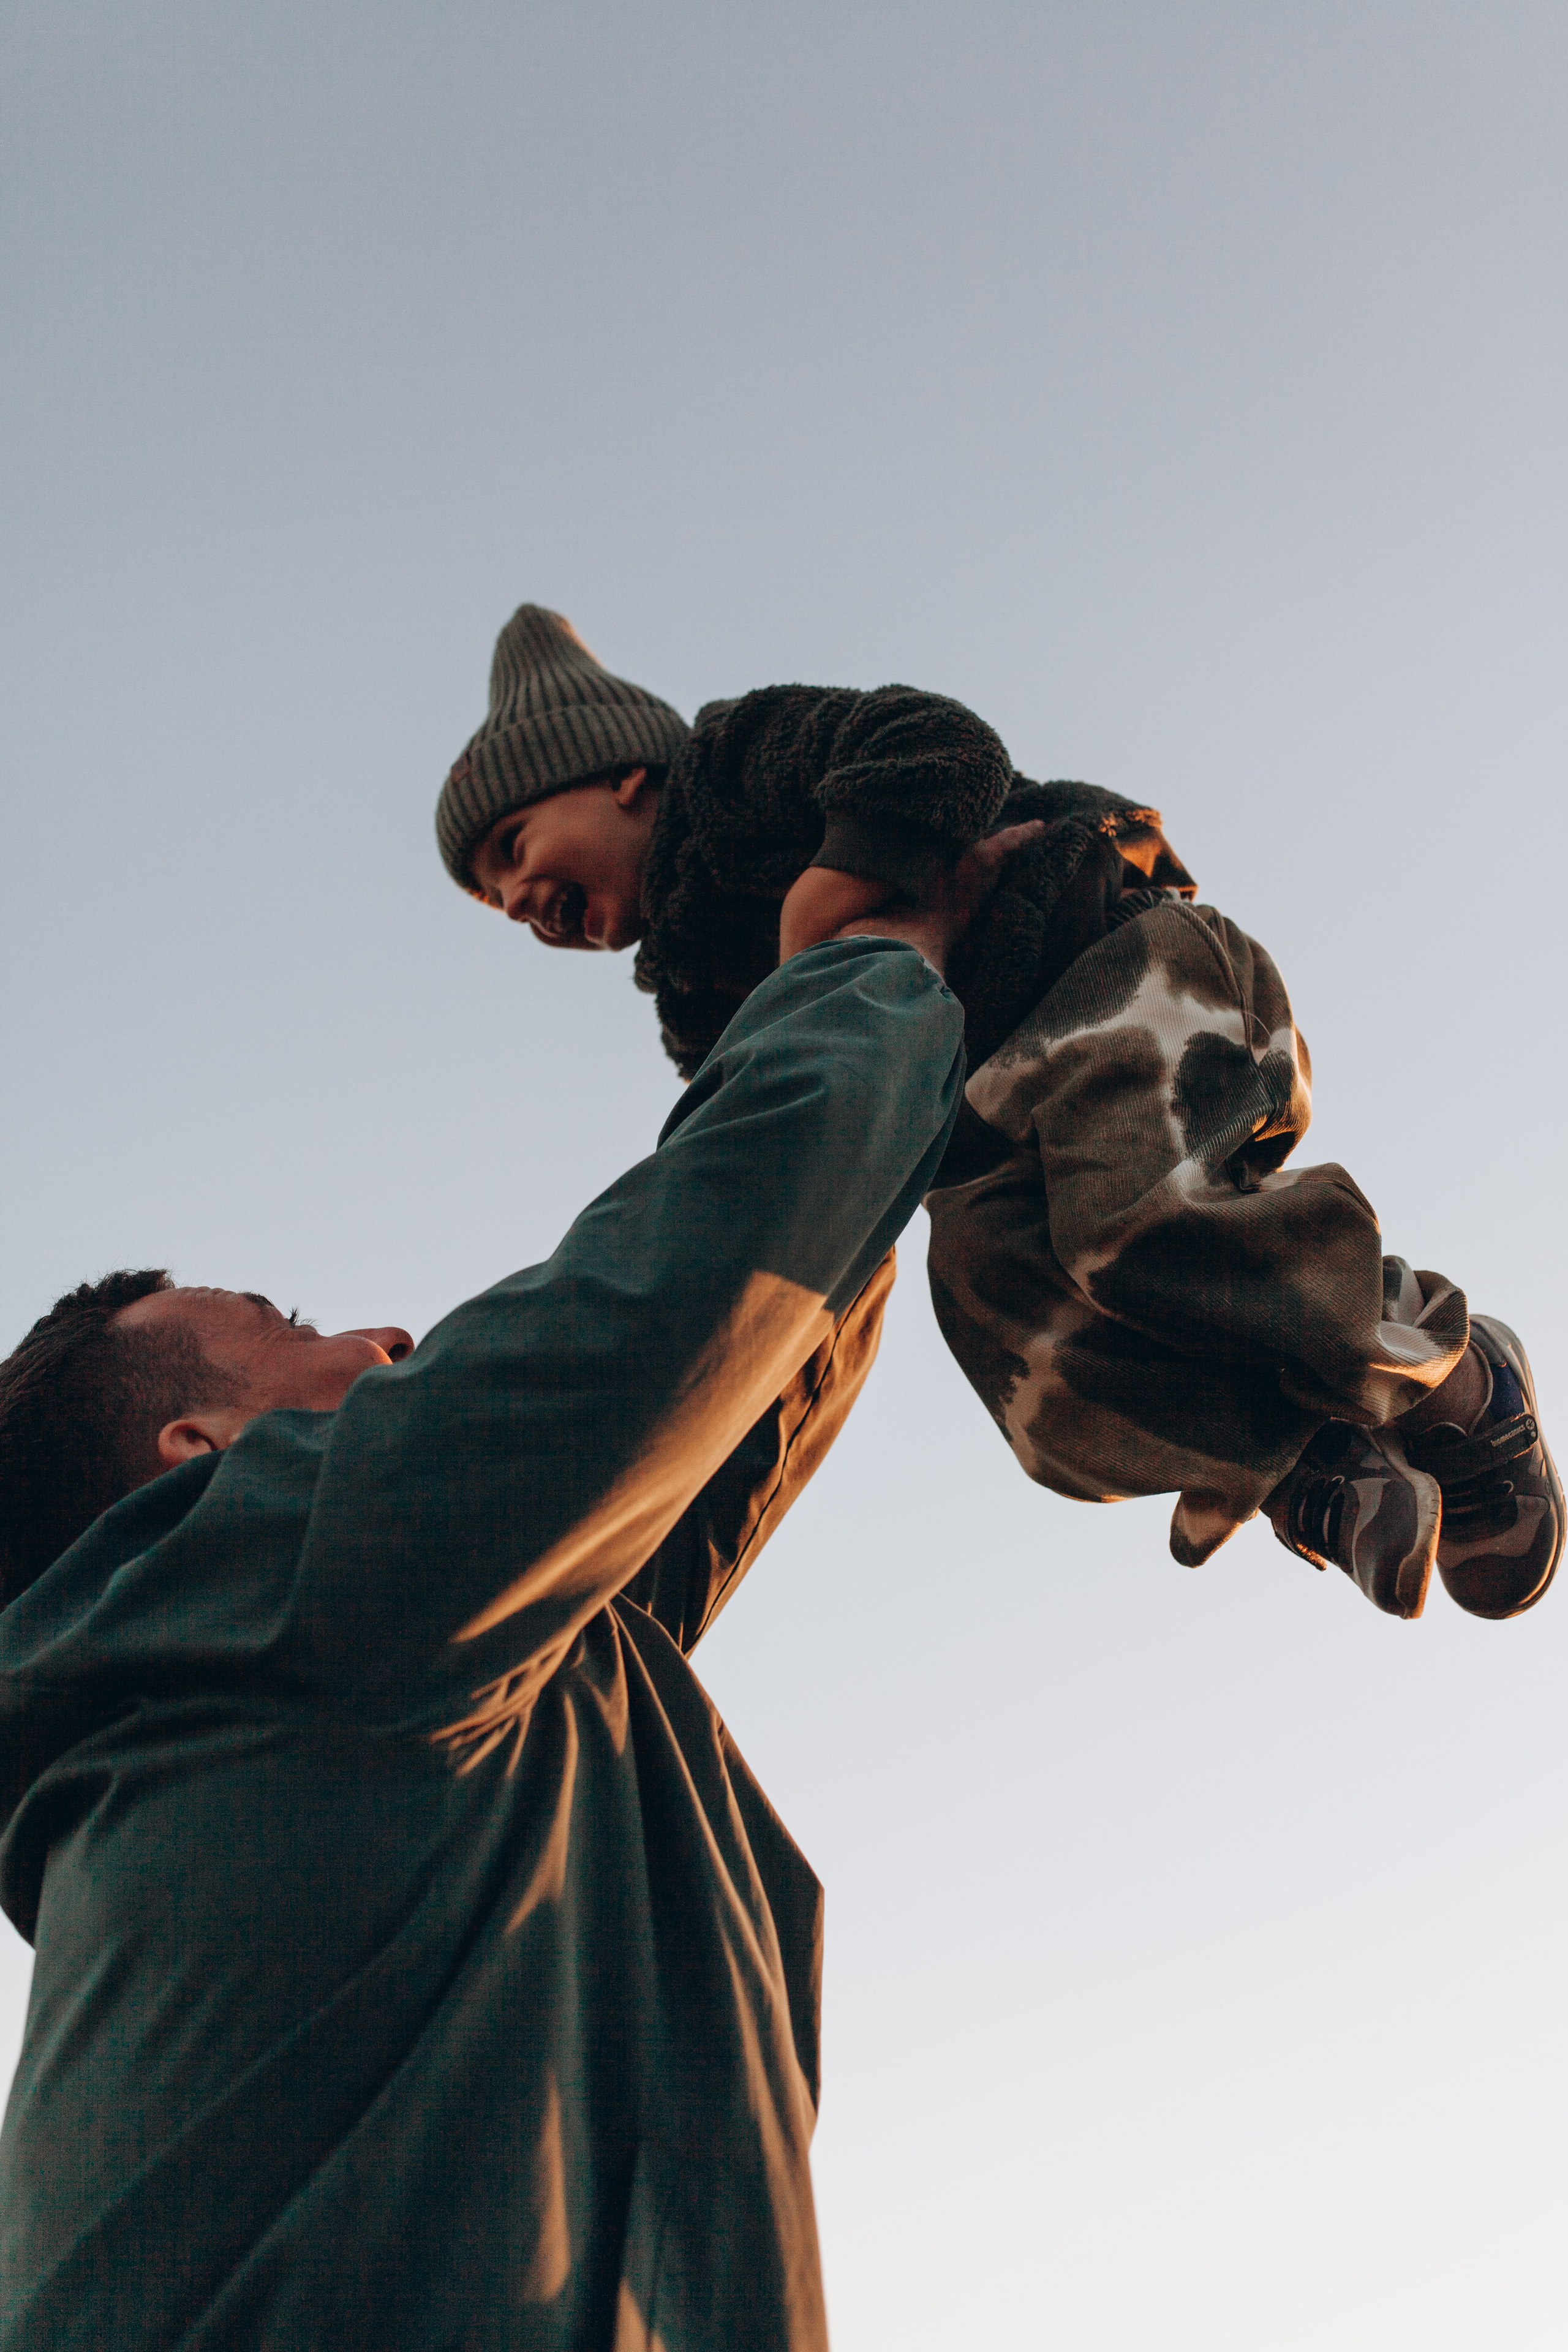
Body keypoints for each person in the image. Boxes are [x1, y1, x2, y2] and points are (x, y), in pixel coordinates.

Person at [0, 890, 998, 2348]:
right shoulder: (268, 1590)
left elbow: (724, 1378)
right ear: (198, 1462)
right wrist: (878, 941)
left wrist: (864, 1056)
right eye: (287, 1325)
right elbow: (670, 1302)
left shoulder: (362, 1701)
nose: (382, 1338)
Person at [435, 603, 1562, 1624]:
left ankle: (1452, 1374)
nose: (521, 905)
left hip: (1107, 974)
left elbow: (943, 743)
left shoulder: (737, 763)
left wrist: (821, 912)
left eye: (512, 852)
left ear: (617, 775)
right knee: (1030, 1371)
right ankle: (1302, 1456)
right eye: (495, 903)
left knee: (1140, 1220)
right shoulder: (686, 996)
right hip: (986, 1132)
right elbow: (763, 1124)